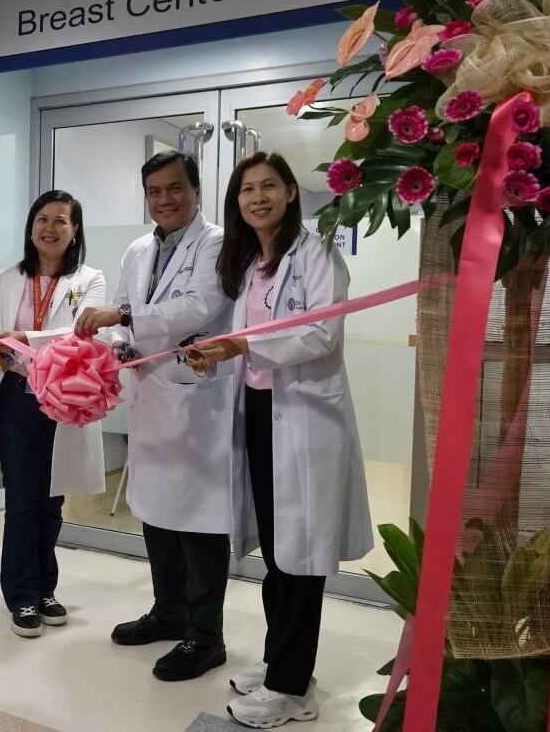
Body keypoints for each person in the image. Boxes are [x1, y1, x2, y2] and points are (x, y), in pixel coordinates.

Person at [186, 152, 373, 727]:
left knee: (301, 558)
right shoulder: (252, 263)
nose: (257, 197)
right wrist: (218, 353)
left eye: (269, 186)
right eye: (247, 190)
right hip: (261, 413)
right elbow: (241, 336)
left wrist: (243, 347)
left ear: (292, 193)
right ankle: (280, 664)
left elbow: (319, 333)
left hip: (306, 419)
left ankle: (291, 689)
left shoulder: (317, 251)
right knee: (278, 551)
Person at [75, 150, 233, 682]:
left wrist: (122, 318)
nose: (164, 199)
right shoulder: (139, 248)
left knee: (200, 522)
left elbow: (198, 306)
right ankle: (169, 613)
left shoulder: (216, 244)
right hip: (150, 398)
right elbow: (124, 309)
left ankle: (206, 637)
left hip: (197, 403)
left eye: (175, 188)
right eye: (154, 191)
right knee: (158, 516)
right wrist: (118, 343)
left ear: (195, 190)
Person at [0, 190, 107, 638]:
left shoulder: (90, 280)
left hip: (65, 399)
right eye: (42, 219)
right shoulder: (7, 277)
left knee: (53, 502)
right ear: (31, 227)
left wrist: (25, 339)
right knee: (23, 502)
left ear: (75, 232)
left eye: (62, 221)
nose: (50, 228)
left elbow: (80, 335)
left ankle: (46, 589)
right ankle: (21, 595)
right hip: (17, 398)